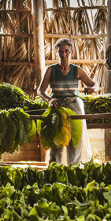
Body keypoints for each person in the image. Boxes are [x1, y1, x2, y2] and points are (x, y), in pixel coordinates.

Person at [37, 37, 98, 165]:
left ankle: (73, 167)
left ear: (71, 52)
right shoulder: (51, 70)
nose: (63, 55)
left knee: (75, 140)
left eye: (66, 51)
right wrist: (49, 99)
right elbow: (40, 91)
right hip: (58, 107)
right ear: (57, 53)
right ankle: (55, 166)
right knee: (57, 139)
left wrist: (92, 88)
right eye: (60, 52)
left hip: (74, 107)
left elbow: (94, 84)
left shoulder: (77, 71)